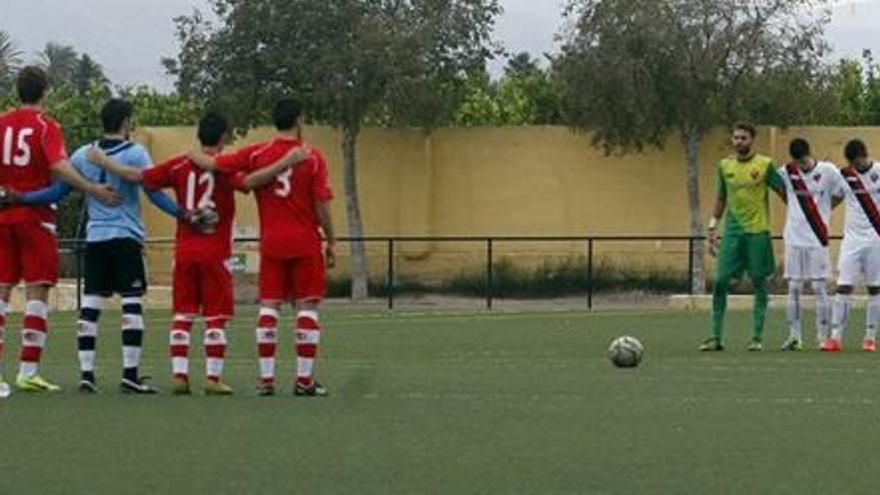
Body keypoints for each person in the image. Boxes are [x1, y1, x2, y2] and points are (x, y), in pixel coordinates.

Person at [88, 111, 300, 395]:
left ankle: (180, 375)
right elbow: (249, 184)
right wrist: (285, 164)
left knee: (183, 314)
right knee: (216, 316)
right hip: (216, 252)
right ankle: (212, 379)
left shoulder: (179, 165)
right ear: (224, 136)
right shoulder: (226, 169)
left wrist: (104, 161)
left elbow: (139, 177)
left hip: (185, 251)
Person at [20, 98, 182, 393]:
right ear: (125, 123)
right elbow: (154, 192)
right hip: (126, 237)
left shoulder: (83, 154)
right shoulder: (135, 153)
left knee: (91, 305)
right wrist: (182, 215)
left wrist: (22, 197)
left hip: (95, 238)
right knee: (131, 303)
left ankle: (86, 374)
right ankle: (129, 374)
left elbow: (57, 191)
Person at [188, 98, 335, 396]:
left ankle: (266, 380)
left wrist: (192, 153)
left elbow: (214, 163)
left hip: (271, 242)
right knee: (307, 307)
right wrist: (331, 240)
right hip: (305, 241)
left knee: (269, 306)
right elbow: (321, 204)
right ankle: (304, 381)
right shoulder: (313, 157)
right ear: (299, 120)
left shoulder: (257, 153)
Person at [0, 66, 119, 394]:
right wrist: (92, 188)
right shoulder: (46, 126)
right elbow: (58, 166)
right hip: (35, 218)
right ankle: (28, 371)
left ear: (17, 91)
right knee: (37, 292)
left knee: (2, 292)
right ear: (45, 91)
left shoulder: (1, 124)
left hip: (3, 216)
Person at [702, 123, 786, 352]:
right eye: (736, 137)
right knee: (720, 281)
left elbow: (784, 191)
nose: (738, 141)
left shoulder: (765, 164)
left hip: (758, 232)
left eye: (743, 138)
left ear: (752, 140)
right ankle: (715, 338)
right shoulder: (725, 166)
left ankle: (756, 338)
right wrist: (712, 227)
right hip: (732, 232)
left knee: (759, 282)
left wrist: (801, 219)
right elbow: (721, 198)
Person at [778, 138, 845, 351]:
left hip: (817, 236)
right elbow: (774, 185)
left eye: (804, 161)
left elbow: (842, 192)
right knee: (794, 287)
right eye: (798, 163)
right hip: (794, 237)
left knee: (819, 287)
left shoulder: (828, 170)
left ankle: (822, 337)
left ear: (810, 154)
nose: (802, 166)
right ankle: (795, 337)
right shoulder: (787, 172)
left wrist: (825, 210)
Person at [823, 139, 880, 352]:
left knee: (875, 289)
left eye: (857, 162)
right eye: (851, 163)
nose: (854, 166)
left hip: (876, 239)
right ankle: (835, 337)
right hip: (852, 240)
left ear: (864, 155)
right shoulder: (845, 176)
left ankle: (870, 337)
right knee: (843, 286)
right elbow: (833, 200)